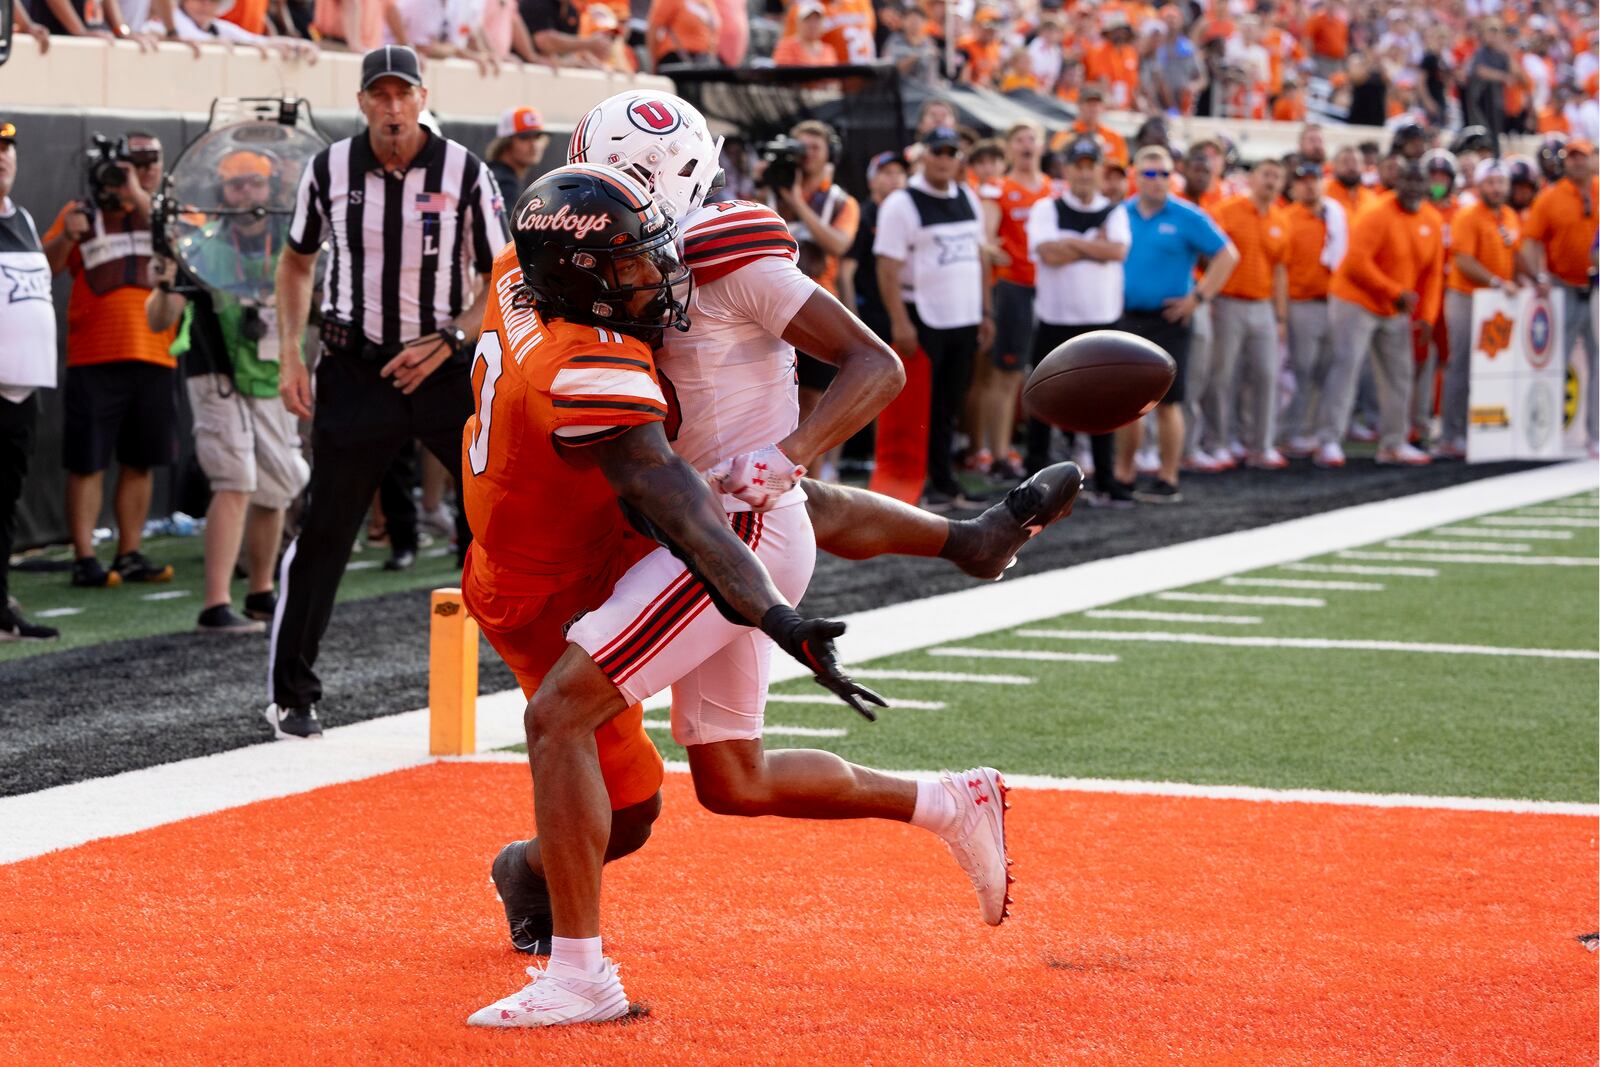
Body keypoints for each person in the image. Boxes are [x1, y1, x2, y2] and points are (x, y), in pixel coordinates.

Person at [466, 164, 1011, 1029]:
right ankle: (948, 799)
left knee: (559, 717)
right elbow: (671, 485)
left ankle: (580, 976)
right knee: (732, 778)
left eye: (650, 241)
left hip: (716, 538)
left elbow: (715, 498)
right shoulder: (574, 331)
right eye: (629, 257)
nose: (655, 269)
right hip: (687, 534)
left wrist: (776, 570)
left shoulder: (594, 263)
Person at [266, 46, 509, 739]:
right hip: (355, 367)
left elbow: (502, 275)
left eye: (405, 94)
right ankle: (293, 693)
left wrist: (453, 340)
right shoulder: (329, 169)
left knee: (495, 511)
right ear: (364, 101)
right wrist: (289, 350)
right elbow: (295, 260)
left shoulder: (465, 170)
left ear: (423, 97)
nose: (394, 107)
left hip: (441, 363)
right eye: (382, 95)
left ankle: (524, 662)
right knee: (325, 532)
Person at [144, 151, 310, 634]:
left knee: (279, 483)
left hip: (270, 371)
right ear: (222, 192)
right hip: (214, 371)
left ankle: (261, 593)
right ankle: (215, 604)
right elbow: (159, 319)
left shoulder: (291, 246)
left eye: (254, 184)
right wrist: (165, 281)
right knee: (234, 478)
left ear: (270, 189)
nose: (246, 194)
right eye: (235, 186)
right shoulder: (201, 247)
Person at [41, 131, 178, 589]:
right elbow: (44, 269)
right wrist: (66, 237)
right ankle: (85, 557)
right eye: (132, 164)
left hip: (156, 352)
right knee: (88, 461)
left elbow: (187, 246)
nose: (141, 171)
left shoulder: (166, 212)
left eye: (148, 162)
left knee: (141, 460)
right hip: (94, 354)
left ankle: (131, 551)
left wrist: (139, 198)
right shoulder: (80, 212)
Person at [875, 127, 992, 510]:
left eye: (952, 151)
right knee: (916, 406)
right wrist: (899, 321)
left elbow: (979, 257)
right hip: (921, 315)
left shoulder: (967, 197)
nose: (944, 158)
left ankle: (944, 479)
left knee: (950, 404)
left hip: (963, 314)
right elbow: (887, 267)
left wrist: (985, 312)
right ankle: (913, 482)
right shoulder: (902, 203)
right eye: (938, 151)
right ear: (923, 155)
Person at [1114, 145, 1239, 504]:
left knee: (1169, 402)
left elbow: (1227, 254)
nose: (1158, 181)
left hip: (1169, 318)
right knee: (1127, 403)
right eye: (1150, 174)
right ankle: (1125, 473)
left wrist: (1198, 298)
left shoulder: (1187, 215)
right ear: (1135, 176)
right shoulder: (1120, 214)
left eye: (1165, 173)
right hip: (1127, 316)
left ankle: (1168, 476)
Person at [1026, 138, 1131, 505]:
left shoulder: (1115, 211)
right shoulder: (1046, 207)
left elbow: (1117, 251)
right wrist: (1092, 246)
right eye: (1078, 165)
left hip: (1102, 321)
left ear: (1100, 170)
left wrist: (1071, 243)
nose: (1085, 173)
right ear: (1066, 169)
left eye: (1091, 165)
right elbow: (1048, 254)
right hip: (1056, 319)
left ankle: (1106, 477)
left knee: (1105, 404)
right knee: (1044, 399)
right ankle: (1033, 479)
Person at [1325, 159, 1445, 467]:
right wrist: (1394, 292)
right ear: (1398, 183)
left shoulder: (1432, 220)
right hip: (1356, 299)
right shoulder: (1376, 213)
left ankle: (1394, 442)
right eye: (1408, 181)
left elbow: (1433, 274)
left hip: (1395, 307)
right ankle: (1329, 440)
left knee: (1400, 374)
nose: (1415, 188)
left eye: (1421, 182)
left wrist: (1428, 316)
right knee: (1346, 368)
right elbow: (1356, 263)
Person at [767, 119, 860, 479]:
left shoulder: (839, 200)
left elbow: (838, 243)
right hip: (773, 308)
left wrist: (796, 205)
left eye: (814, 148)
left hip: (818, 305)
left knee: (814, 401)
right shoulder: (770, 192)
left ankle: (813, 484)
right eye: (799, 148)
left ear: (829, 155)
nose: (804, 156)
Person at [0, 120, 60, 641]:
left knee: (6, 500)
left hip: (21, 390)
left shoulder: (24, 218)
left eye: (6, 146)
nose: (1, 156)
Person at [1436, 158, 1529, 460]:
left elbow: (1516, 254)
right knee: (1460, 366)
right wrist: (1497, 281)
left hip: (1497, 302)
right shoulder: (1468, 216)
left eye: (1501, 182)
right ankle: (1451, 434)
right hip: (1466, 297)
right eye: (1490, 182)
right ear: (1479, 185)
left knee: (1494, 367)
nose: (1497, 188)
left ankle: (1483, 428)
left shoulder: (1509, 216)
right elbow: (1463, 259)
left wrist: (1530, 279)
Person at [1203, 157, 1292, 471]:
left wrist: (1281, 316)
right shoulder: (1227, 210)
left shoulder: (1281, 219)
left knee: (1267, 375)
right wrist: (1209, 295)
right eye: (1266, 174)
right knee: (1222, 376)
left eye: (1277, 177)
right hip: (1228, 302)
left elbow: (1280, 271)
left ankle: (1261, 443)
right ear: (1252, 178)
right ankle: (1218, 442)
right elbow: (1208, 255)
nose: (1271, 181)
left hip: (1262, 305)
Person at [974, 121, 1050, 481]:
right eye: (1019, 138)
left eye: (1032, 138)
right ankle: (999, 453)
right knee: (1006, 374)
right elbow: (986, 236)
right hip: (1014, 287)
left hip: (1050, 288)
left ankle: (1041, 449)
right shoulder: (999, 189)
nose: (1026, 144)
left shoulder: (1054, 188)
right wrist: (988, 247)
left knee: (1047, 371)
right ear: (1009, 147)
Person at [1520, 138, 1599, 456]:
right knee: (1555, 362)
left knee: (1599, 363)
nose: (1578, 163)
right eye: (1573, 157)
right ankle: (1545, 431)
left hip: (1596, 289)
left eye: (1584, 157)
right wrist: (1537, 276)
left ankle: (1595, 434)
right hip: (1563, 288)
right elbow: (1529, 242)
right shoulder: (1550, 198)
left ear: (1594, 159)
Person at [1278, 160, 1348, 465]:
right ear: (1294, 186)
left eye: (1314, 179)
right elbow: (1280, 269)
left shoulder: (1335, 215)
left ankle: (1320, 433)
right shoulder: (1287, 218)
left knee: (1329, 372)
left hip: (1333, 301)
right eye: (1303, 180)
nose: (1309, 185)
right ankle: (1293, 431)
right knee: (1301, 371)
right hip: (1301, 302)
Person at [838, 150, 906, 343]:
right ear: (871, 181)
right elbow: (845, 273)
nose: (895, 178)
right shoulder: (863, 216)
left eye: (899, 173)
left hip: (905, 310)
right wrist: (855, 325)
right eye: (887, 172)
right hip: (873, 314)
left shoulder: (908, 214)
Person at [485, 105, 549, 211]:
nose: (533, 145)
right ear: (505, 143)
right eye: (525, 137)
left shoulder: (495, 174)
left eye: (537, 136)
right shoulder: (505, 183)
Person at [772, 0, 840, 68]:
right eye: (808, 19)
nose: (813, 25)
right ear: (798, 23)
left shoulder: (828, 50)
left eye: (817, 20)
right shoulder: (786, 47)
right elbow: (783, 74)